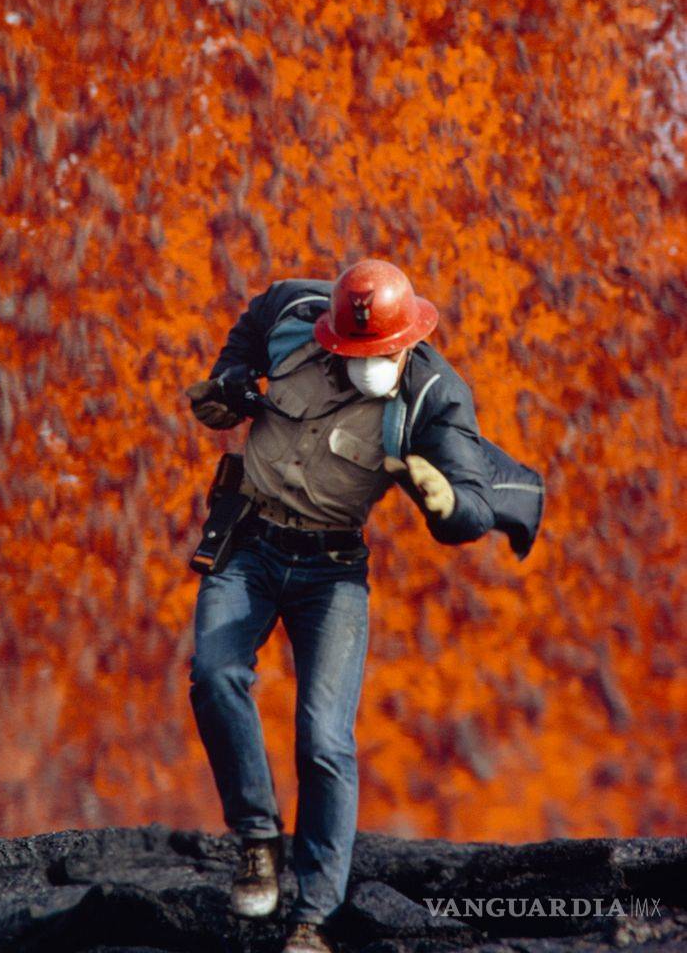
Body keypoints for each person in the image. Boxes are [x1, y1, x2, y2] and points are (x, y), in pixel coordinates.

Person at [184, 258, 543, 953]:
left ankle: (314, 917)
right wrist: (228, 382)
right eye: (349, 350)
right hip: (248, 543)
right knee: (214, 674)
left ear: (406, 338)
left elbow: (467, 492)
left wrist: (447, 506)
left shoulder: (432, 393)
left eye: (376, 353)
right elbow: (250, 323)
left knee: (324, 741)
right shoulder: (294, 316)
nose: (361, 363)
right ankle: (257, 839)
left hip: (330, 570)